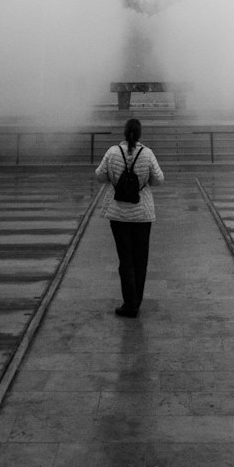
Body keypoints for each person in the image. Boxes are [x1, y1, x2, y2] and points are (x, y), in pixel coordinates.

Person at [94, 117, 164, 318]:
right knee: (140, 259)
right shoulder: (147, 153)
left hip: (118, 214)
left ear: (124, 133)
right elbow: (159, 179)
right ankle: (136, 302)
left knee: (125, 259)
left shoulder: (113, 151)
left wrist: (115, 177)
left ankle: (129, 303)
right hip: (142, 214)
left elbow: (100, 175)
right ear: (139, 134)